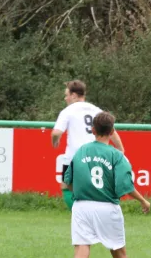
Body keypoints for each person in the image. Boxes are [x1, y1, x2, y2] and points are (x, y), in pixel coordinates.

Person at [63, 111, 150, 258]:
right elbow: (125, 186)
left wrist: (80, 192)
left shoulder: (81, 151)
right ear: (111, 132)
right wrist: (143, 201)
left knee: (81, 252)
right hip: (107, 208)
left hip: (82, 207)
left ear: (92, 130)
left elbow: (67, 181)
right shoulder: (116, 155)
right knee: (119, 253)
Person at [52, 80, 125, 210]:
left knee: (66, 185)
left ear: (74, 95)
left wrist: (55, 140)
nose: (65, 98)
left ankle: (78, 213)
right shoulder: (96, 110)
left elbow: (56, 132)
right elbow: (111, 131)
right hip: (95, 155)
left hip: (75, 156)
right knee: (94, 189)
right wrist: (120, 149)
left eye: (67, 94)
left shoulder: (68, 111)